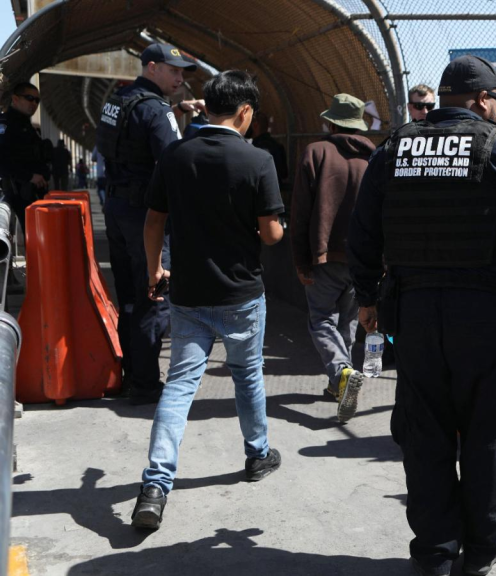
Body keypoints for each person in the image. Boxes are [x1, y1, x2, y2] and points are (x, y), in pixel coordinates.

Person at [348, 55, 496, 576]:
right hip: (486, 316)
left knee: (425, 437)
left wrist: (367, 297)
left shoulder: (393, 150)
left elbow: (362, 232)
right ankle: (481, 556)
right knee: (488, 435)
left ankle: (435, 557)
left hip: (415, 314)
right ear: (483, 101)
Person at [131, 70, 285, 530]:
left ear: (208, 106)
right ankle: (257, 455)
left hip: (189, 293)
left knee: (178, 386)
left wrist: (154, 269)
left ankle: (156, 485)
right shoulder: (257, 161)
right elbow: (271, 233)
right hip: (241, 294)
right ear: (245, 111)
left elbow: (153, 221)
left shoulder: (177, 155)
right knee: (247, 376)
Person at [95, 42, 205, 405]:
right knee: (153, 295)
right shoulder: (157, 111)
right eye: (173, 71)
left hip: (116, 206)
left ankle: (128, 371)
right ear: (153, 67)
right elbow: (173, 160)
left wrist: (175, 109)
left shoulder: (119, 99)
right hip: (146, 215)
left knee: (127, 296)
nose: (179, 78)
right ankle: (144, 383)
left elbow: (131, 136)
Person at [291, 94, 375, 421]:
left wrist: (301, 260)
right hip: (362, 259)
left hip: (324, 257)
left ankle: (341, 372)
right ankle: (338, 381)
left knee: (320, 319)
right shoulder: (376, 158)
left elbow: (300, 213)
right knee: (349, 319)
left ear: (331, 122)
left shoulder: (316, 152)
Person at [0, 81, 50, 229]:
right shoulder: (7, 124)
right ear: (15, 99)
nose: (34, 103)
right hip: (18, 193)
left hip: (32, 194)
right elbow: (2, 160)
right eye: (29, 98)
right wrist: (29, 176)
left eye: (37, 100)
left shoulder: (26, 126)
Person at [249, 112, 288, 207]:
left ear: (255, 125)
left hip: (259, 198)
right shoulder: (278, 146)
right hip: (276, 198)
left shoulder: (254, 149)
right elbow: (284, 174)